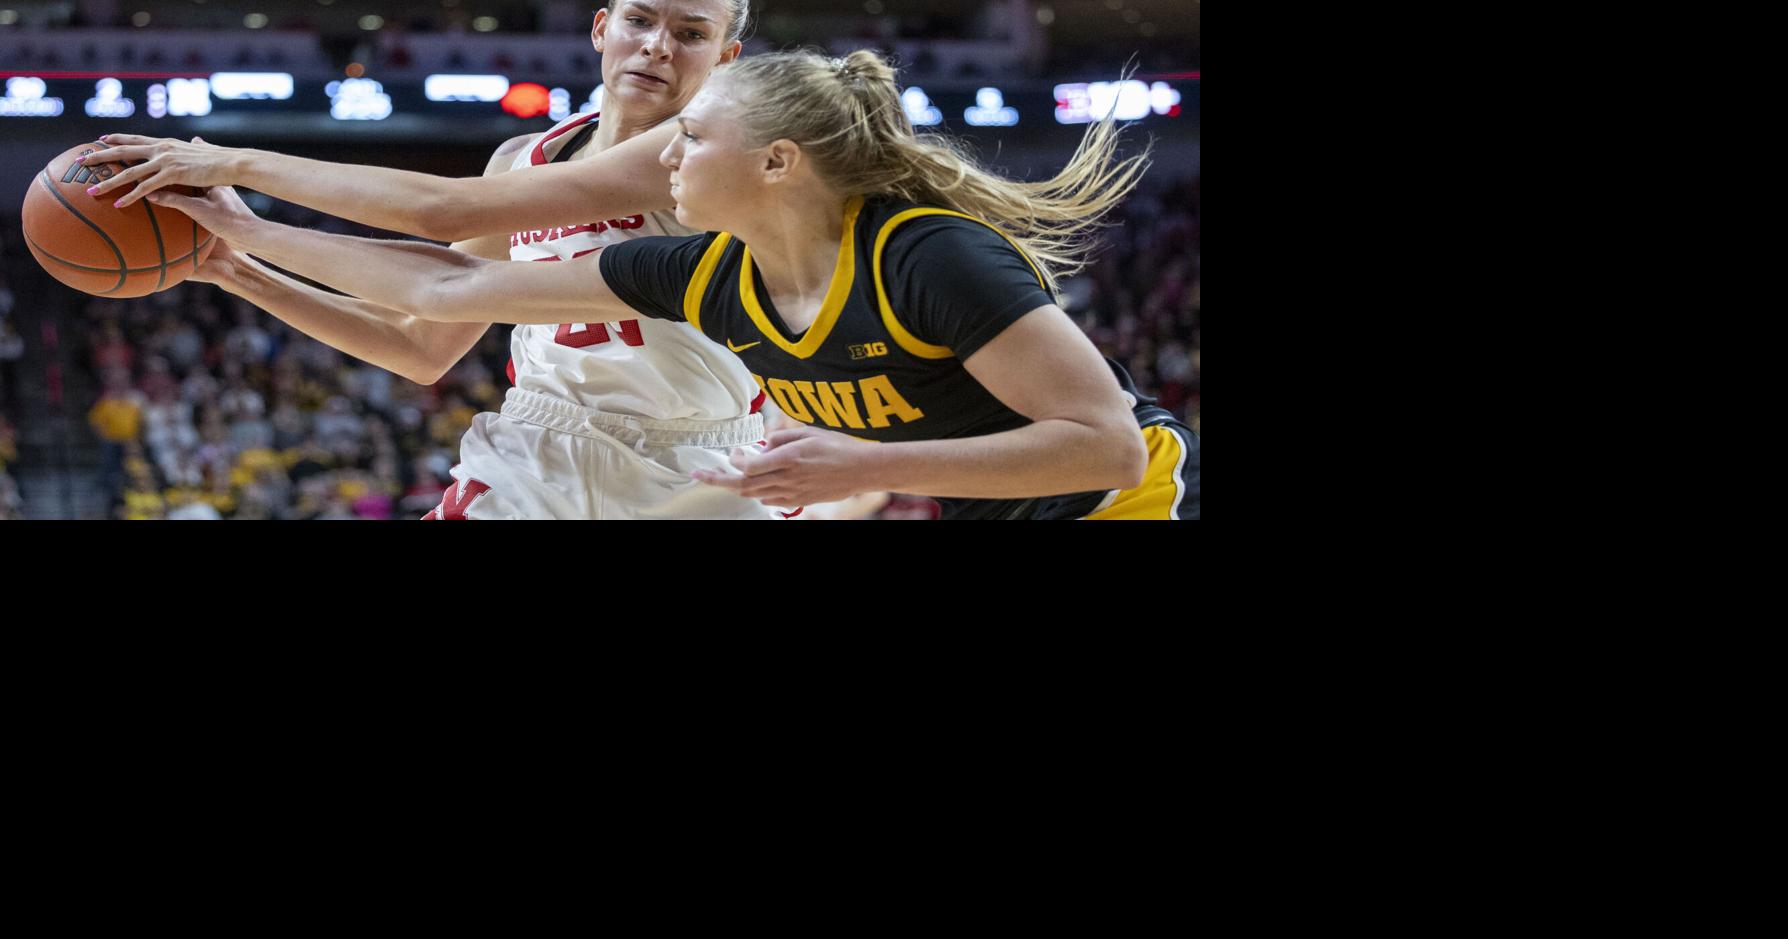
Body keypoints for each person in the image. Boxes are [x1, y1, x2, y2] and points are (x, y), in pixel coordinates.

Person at [147, 49, 1201, 519]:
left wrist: (236, 164)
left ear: (778, 160)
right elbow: (440, 298)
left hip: (1117, 497)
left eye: (694, 137)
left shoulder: (928, 256)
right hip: (557, 453)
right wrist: (240, 245)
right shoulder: (701, 273)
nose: (672, 154)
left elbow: (1104, 443)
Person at [97, 0, 784, 520]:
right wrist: (233, 265)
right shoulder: (522, 160)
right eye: (641, 20)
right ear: (602, 28)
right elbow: (418, 340)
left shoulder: (700, 155)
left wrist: (233, 162)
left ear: (726, 56)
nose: (658, 46)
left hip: (696, 463)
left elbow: (439, 215)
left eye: (691, 33)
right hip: (535, 449)